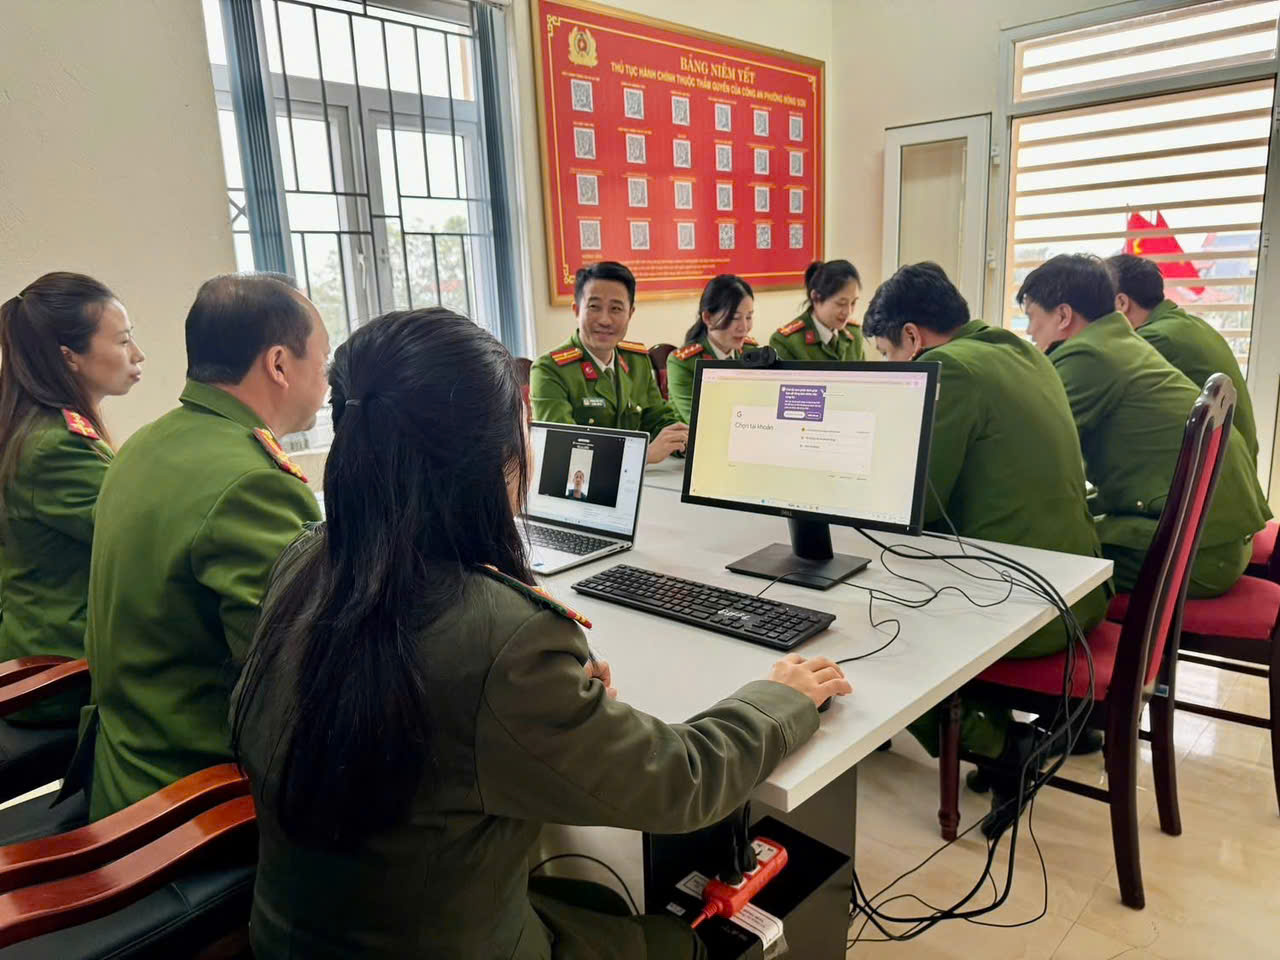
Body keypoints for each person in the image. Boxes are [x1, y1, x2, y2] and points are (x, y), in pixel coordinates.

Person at [230, 307, 852, 960]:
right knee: (675, 940)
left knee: (595, 902)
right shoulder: (501, 639)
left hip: (294, 936)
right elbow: (681, 781)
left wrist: (549, 705)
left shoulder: (308, 562)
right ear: (490, 457)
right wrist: (779, 699)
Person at [74, 273, 328, 821]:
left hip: (124, 771)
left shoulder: (147, 443)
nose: (327, 378)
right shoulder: (252, 481)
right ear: (279, 364)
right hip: (198, 804)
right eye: (323, 359)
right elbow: (298, 682)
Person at [864, 262, 1109, 828]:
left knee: (875, 624)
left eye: (887, 355)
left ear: (912, 337)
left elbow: (915, 506)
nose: (889, 369)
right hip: (1079, 585)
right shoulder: (1018, 349)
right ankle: (992, 730)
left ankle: (1000, 746)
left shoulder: (948, 369)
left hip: (1030, 611)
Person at [1019, 254, 1270, 597]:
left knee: (1033, 564)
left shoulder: (1088, 357)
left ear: (1063, 315)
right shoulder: (1120, 341)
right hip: (1219, 541)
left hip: (1194, 557)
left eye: (1032, 317)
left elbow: (1033, 453)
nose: (1029, 332)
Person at [0, 273, 145, 727]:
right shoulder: (53, 445)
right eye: (123, 341)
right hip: (60, 672)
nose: (138, 354)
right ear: (69, 357)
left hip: (60, 649)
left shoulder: (48, 428)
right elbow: (139, 536)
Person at [1106, 253, 1260, 464]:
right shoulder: (1187, 324)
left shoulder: (1155, 339)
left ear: (1121, 302)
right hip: (1233, 466)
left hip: (1212, 469)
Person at [531, 262, 688, 464]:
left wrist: (684, 441)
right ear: (576, 310)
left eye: (616, 309)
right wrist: (641, 456)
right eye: (594, 307)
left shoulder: (637, 361)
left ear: (630, 313)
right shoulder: (549, 370)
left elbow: (657, 420)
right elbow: (563, 450)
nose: (605, 320)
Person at [665, 275, 758, 423]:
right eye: (734, 318)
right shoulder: (683, 363)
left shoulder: (750, 351)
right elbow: (701, 421)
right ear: (708, 318)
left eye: (748, 317)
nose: (744, 327)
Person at [769, 259, 865, 362]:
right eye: (840, 303)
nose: (848, 312)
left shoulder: (855, 335)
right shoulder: (786, 342)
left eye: (853, 303)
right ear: (816, 297)